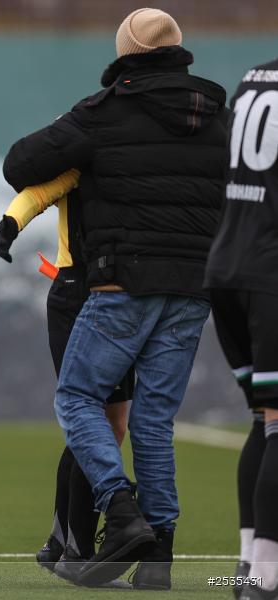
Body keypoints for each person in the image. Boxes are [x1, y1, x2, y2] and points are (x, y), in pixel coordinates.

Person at [2, 7, 228, 588]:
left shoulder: (103, 112)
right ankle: (159, 560)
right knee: (153, 423)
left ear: (125, 53)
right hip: (193, 286)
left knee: (78, 398)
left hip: (121, 283)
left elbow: (20, 164)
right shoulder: (218, 116)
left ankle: (120, 510)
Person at [0, 171, 133, 587]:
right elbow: (39, 191)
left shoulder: (137, 153)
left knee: (110, 425)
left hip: (123, 293)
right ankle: (78, 550)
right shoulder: (85, 149)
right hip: (80, 290)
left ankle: (59, 542)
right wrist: (10, 223)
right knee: (91, 421)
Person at [204, 57, 278, 600]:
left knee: (264, 418)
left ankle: (247, 567)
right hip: (269, 274)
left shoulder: (254, 76)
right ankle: (265, 579)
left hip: (226, 266)